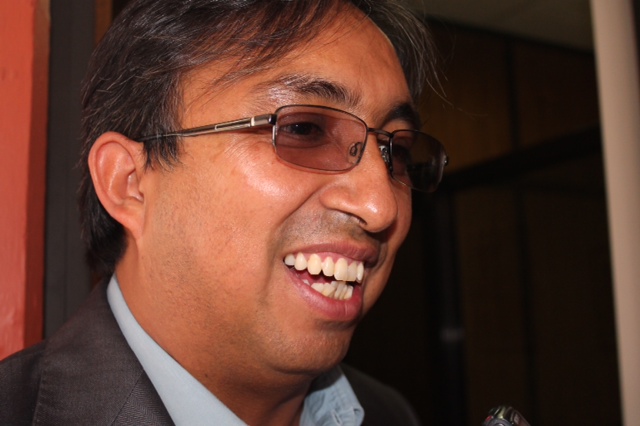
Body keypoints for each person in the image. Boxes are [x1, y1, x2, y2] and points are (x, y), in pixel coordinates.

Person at [0, 0, 447, 424]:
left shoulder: (390, 415)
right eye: (304, 129)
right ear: (129, 183)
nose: (380, 205)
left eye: (397, 152)